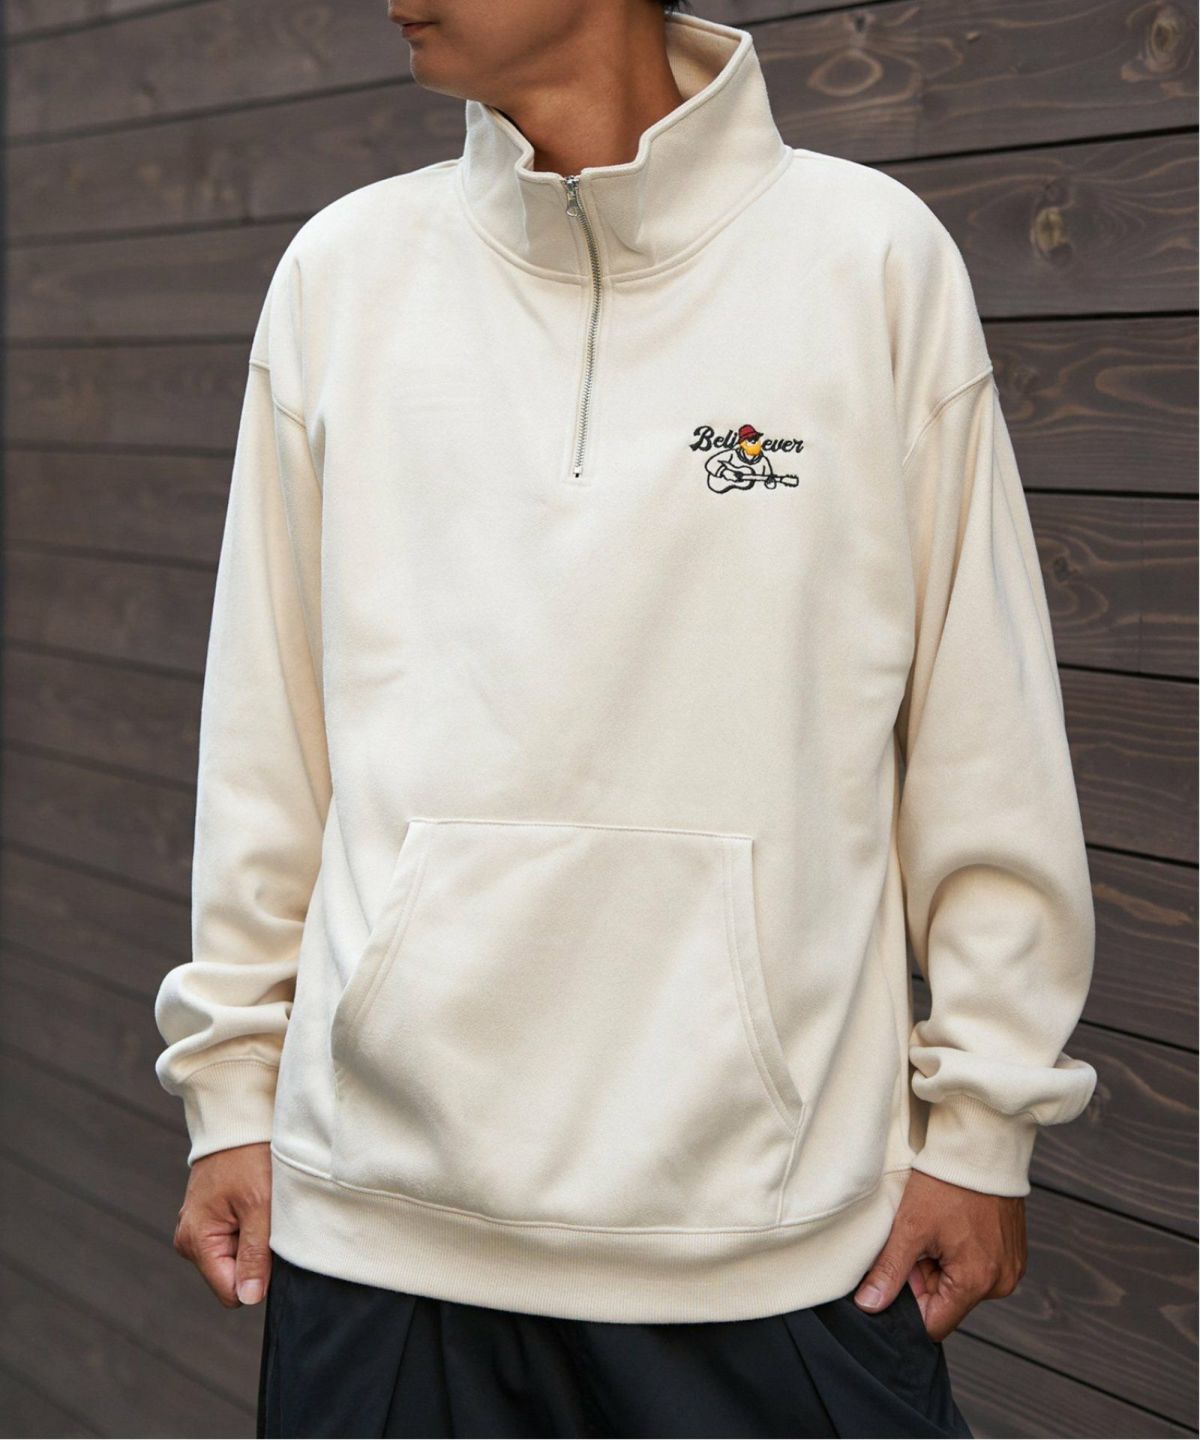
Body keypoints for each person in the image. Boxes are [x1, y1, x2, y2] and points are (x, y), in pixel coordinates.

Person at [153, 2, 1100, 1435]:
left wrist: (982, 1128)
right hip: (383, 1240)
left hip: (774, 1248)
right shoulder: (343, 276)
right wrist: (231, 1093)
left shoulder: (866, 262)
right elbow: (266, 744)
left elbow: (984, 730)